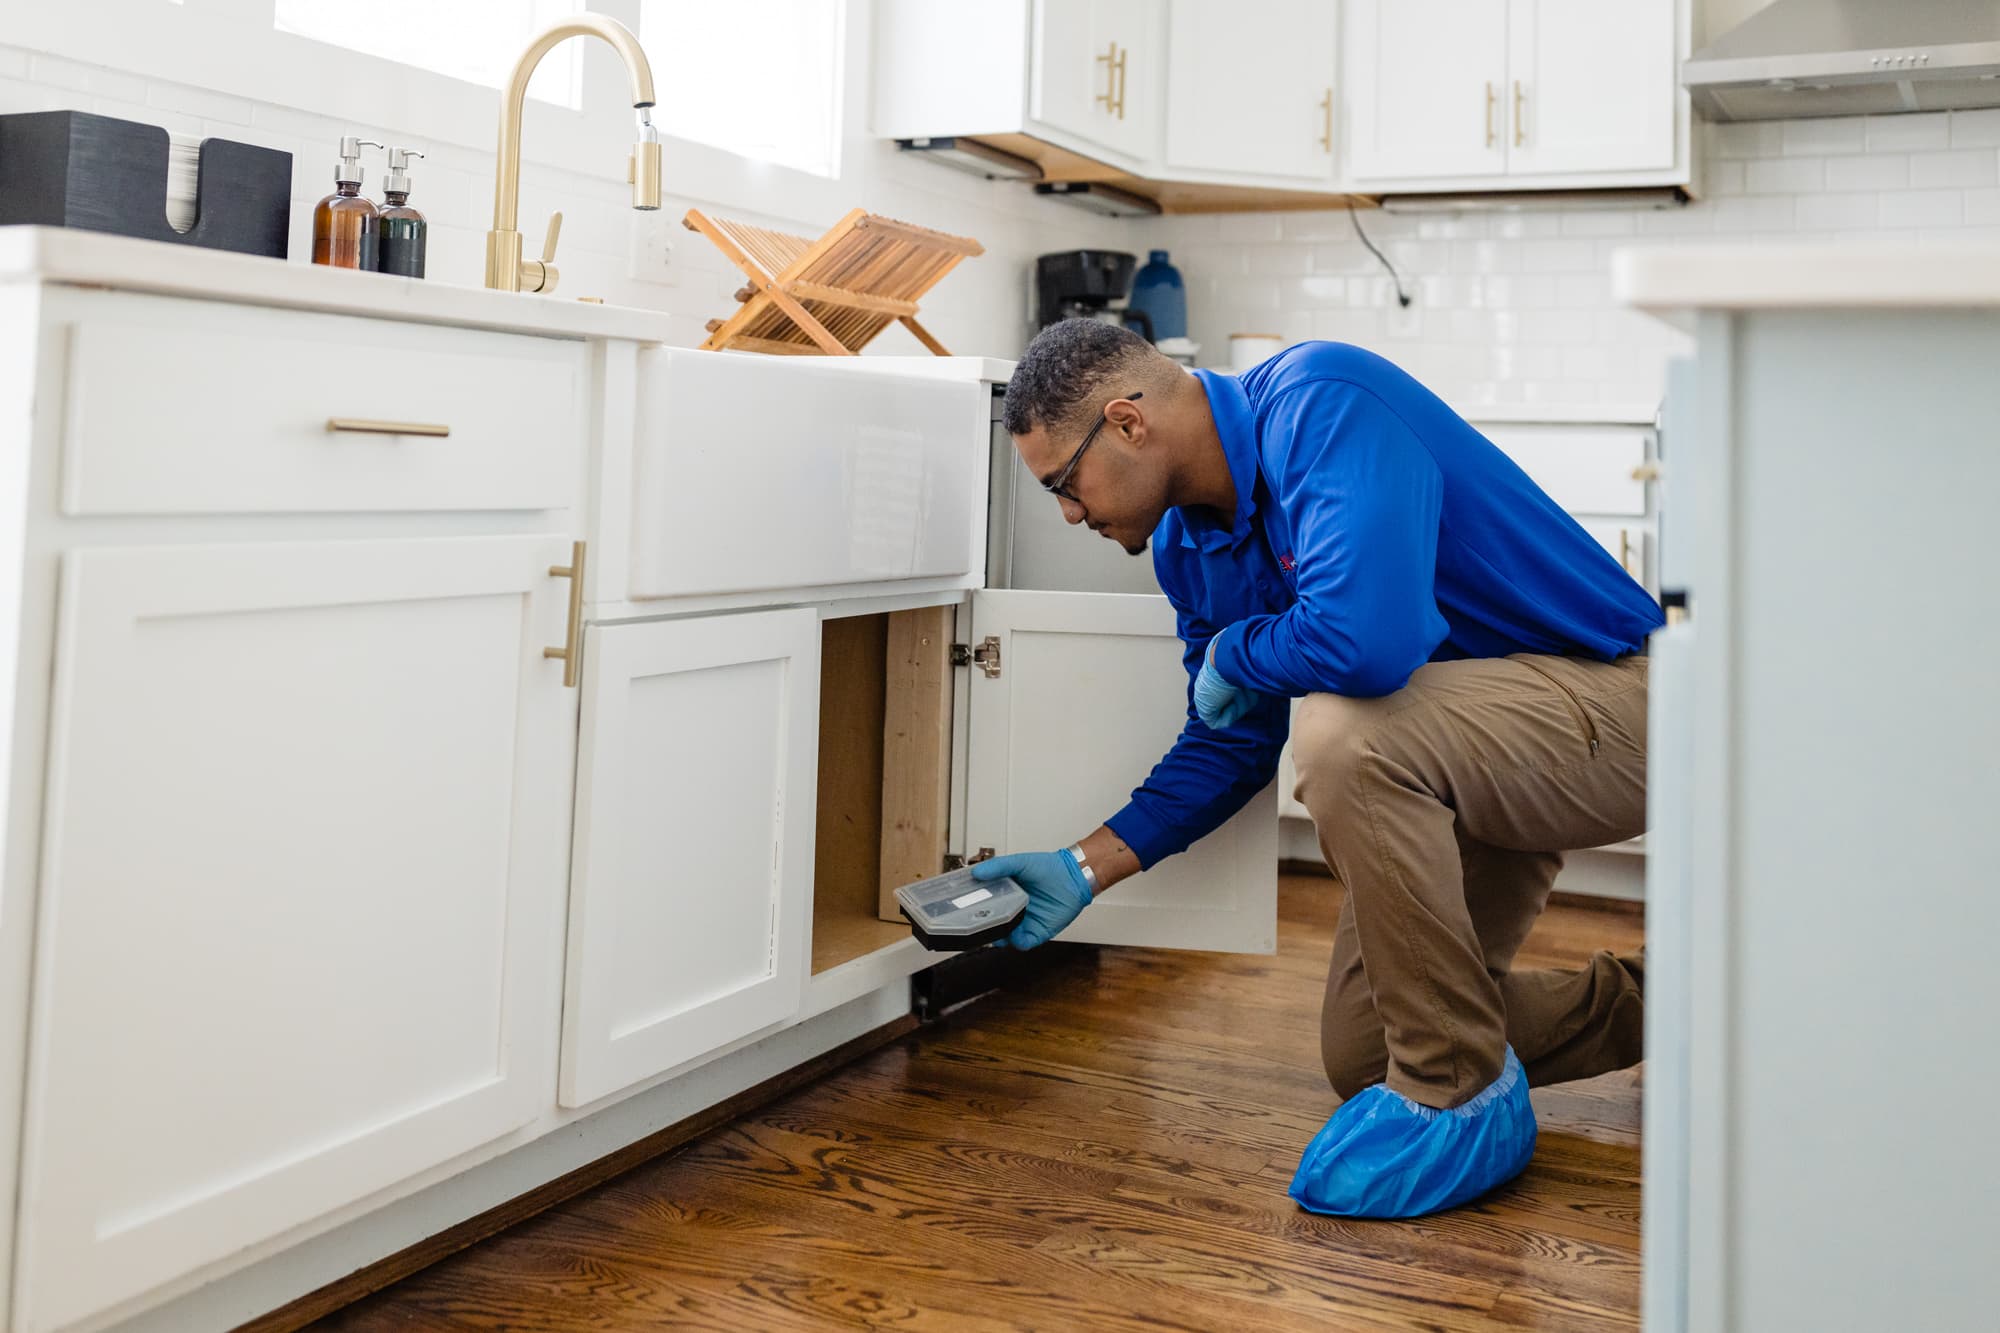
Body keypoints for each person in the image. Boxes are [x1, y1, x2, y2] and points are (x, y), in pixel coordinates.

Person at [970, 319, 1661, 1218]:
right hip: (1460, 757)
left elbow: (1366, 640)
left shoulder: (1320, 403)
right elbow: (1231, 738)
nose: (1070, 512)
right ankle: (1685, 1004)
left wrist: (1238, 650)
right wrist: (1084, 864)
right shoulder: (1189, 549)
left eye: (1065, 482)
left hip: (1628, 703)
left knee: (1344, 733)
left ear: (1128, 423)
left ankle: (1461, 1095)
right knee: (1368, 1052)